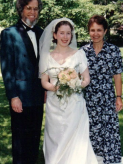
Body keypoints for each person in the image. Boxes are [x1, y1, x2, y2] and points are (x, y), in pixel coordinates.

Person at [39, 18, 98, 164]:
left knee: (75, 138)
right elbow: (44, 82)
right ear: (55, 35)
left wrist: (74, 85)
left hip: (75, 103)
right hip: (54, 104)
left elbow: (86, 79)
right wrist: (56, 88)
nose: (65, 37)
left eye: (68, 33)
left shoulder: (79, 54)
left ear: (72, 35)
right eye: (61, 33)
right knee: (56, 137)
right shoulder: (47, 56)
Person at [0, 0, 44, 164]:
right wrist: (13, 96)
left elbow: (44, 65)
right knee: (20, 140)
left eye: (36, 9)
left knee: (34, 139)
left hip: (37, 95)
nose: (33, 12)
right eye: (28, 8)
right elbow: (7, 68)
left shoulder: (41, 33)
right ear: (21, 10)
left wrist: (46, 89)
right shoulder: (9, 33)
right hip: (20, 96)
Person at [81, 15, 123, 164]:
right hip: (88, 99)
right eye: (92, 30)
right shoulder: (83, 51)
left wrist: (118, 97)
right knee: (91, 129)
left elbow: (117, 75)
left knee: (108, 130)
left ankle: (110, 159)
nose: (95, 33)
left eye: (99, 30)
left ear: (105, 31)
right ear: (89, 31)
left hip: (107, 97)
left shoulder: (113, 50)